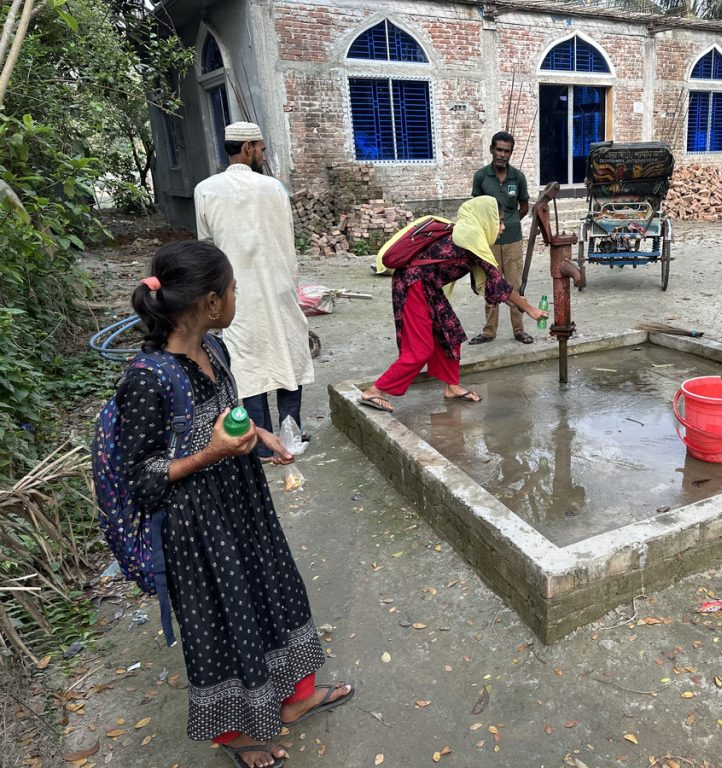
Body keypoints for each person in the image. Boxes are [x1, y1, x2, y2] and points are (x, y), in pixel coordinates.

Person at [120, 241, 352, 768]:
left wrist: (259, 436)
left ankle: (295, 700)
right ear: (208, 302)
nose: (235, 298)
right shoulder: (146, 379)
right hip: (198, 529)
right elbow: (142, 479)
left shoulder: (215, 349)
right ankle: (232, 734)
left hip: (244, 506)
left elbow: (228, 418)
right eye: (231, 290)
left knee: (277, 595)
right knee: (220, 623)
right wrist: (210, 454)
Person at [360, 196, 546, 412]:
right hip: (413, 286)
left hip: (429, 288)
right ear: (487, 218)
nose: (502, 227)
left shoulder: (471, 233)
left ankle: (452, 387)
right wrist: (529, 308)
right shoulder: (470, 235)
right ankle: (375, 391)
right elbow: (499, 283)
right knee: (420, 350)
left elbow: (493, 281)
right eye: (500, 221)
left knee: (451, 333)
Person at [194, 121, 313, 457]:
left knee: (247, 363)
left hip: (234, 296)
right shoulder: (273, 188)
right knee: (288, 356)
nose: (261, 153)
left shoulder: (205, 189)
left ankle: (260, 444)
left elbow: (206, 248)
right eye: (260, 147)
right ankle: (291, 436)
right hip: (278, 289)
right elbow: (288, 241)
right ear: (248, 148)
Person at [468, 131, 532, 345]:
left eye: (507, 151)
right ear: (491, 150)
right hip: (489, 242)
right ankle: (489, 331)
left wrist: (510, 223)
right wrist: (489, 229)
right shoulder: (481, 177)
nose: (502, 154)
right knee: (491, 285)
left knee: (514, 285)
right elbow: (475, 208)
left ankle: (519, 330)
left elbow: (524, 206)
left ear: (511, 153)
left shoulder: (518, 177)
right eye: (499, 149)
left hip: (513, 240)